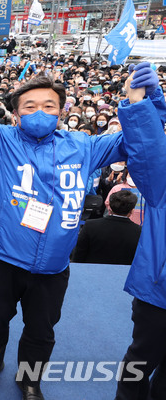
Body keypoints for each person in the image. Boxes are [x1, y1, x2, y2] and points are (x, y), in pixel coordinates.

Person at [0, 62, 166, 400]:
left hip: (54, 266)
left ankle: (29, 379)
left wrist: (143, 104)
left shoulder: (83, 146)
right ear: (15, 114)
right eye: (29, 106)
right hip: (4, 258)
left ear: (61, 111)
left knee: (41, 331)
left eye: (48, 106)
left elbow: (136, 143)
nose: (39, 112)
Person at [115, 61, 166, 400]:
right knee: (140, 365)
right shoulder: (162, 185)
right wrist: (144, 105)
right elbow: (149, 154)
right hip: (159, 298)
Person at [72, 190, 140, 265]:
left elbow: (78, 256)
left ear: (109, 207)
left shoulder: (90, 226)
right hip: (124, 274)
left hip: (91, 273)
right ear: (132, 211)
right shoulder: (139, 232)